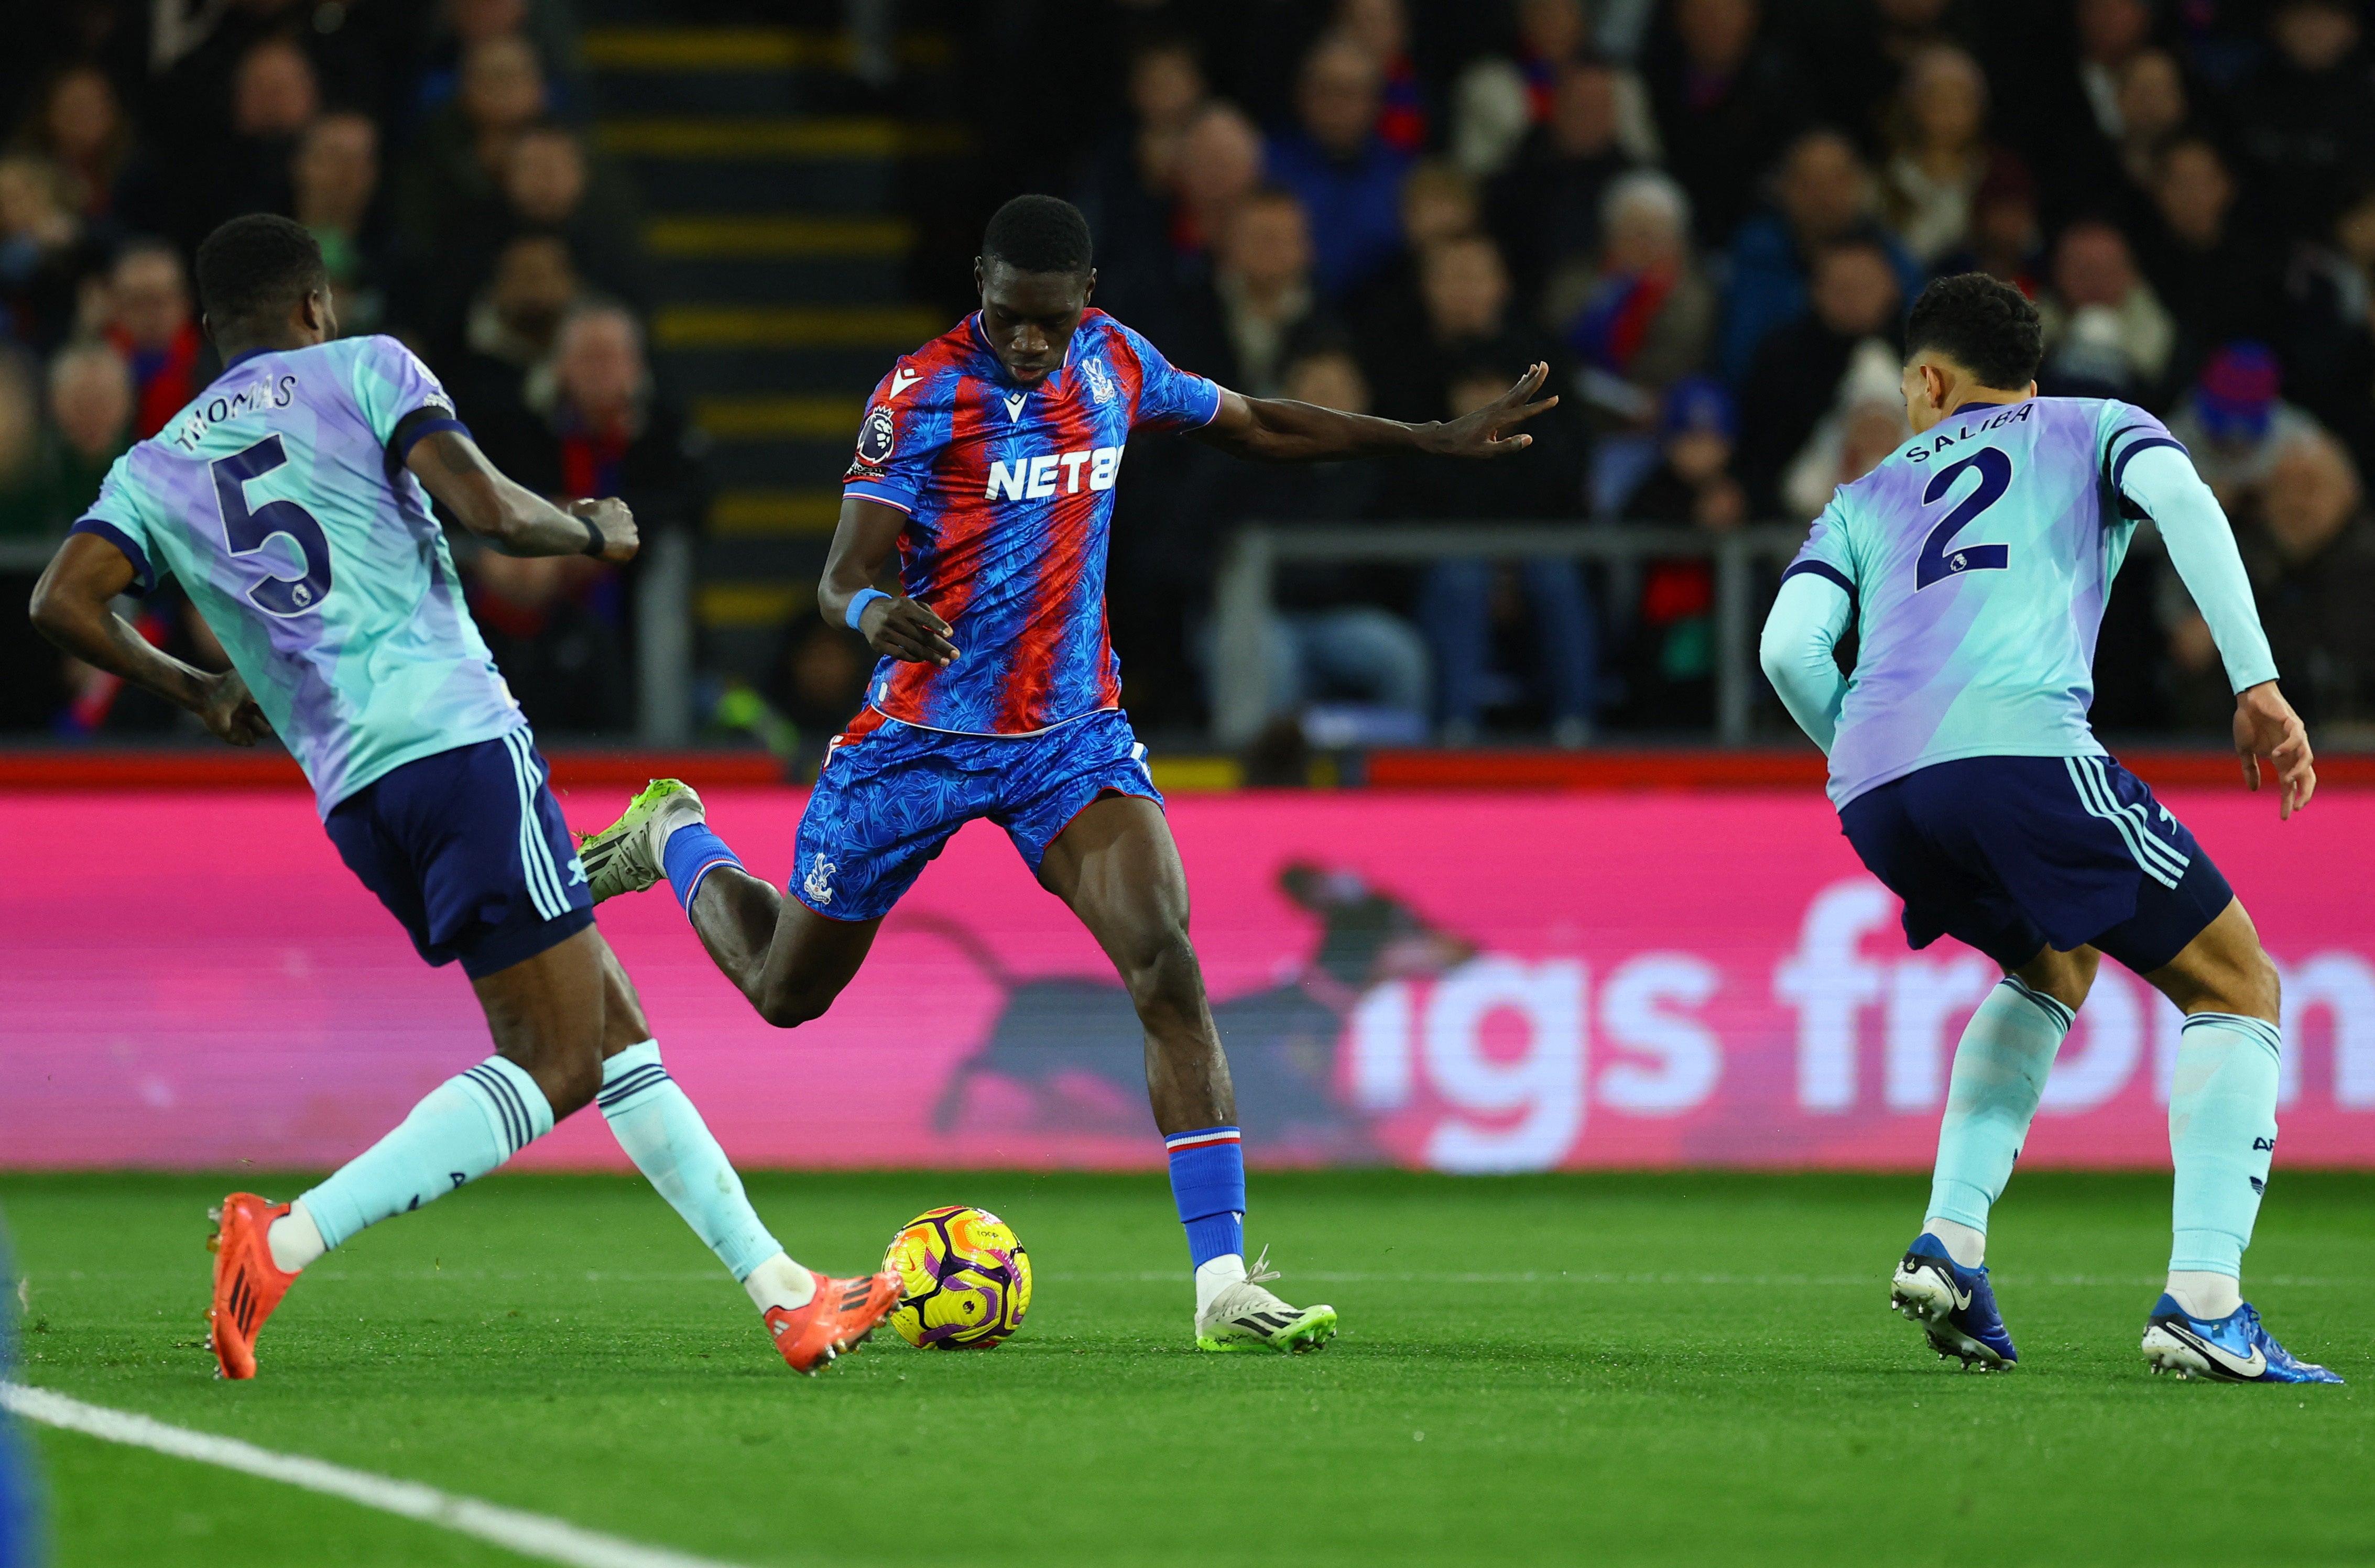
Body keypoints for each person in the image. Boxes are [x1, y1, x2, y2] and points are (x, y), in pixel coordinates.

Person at [576, 195, 1556, 1354]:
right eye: (1008, 317)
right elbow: (840, 572)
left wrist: (1424, 436)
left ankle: (1223, 1283)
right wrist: (874, 610)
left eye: (1049, 320)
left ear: (1084, 297)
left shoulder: (1117, 361)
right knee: (788, 991)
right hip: (919, 740)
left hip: (1069, 737)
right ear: (980, 286)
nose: (1030, 343)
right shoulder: (917, 393)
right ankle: (674, 835)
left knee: (1166, 966)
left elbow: (1255, 424)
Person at [26, 215, 898, 1380]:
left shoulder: (156, 464)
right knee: (554, 1061)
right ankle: (281, 1241)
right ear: (314, 305)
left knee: (609, 1025)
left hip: (356, 796)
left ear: (208, 328)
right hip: (458, 743)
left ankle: (785, 1293)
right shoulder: (367, 368)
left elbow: (60, 602)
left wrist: (193, 688)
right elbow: (488, 508)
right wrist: (590, 527)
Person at [1758, 271, 2340, 1384]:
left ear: (1927, 379)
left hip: (1875, 789)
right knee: (2238, 984)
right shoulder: (2096, 425)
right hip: (2019, 751)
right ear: (2027, 378)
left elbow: (1787, 651)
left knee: (2052, 962)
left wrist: (1860, 750)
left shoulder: (1863, 492)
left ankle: (1953, 1244)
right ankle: (2205, 1301)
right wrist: (2255, 682)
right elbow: (2187, 505)